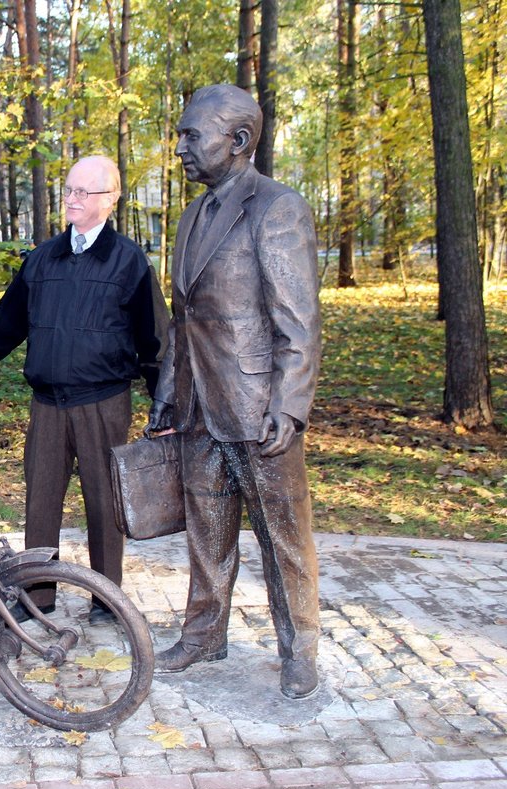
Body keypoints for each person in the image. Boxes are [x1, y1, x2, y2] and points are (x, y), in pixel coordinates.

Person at [146, 84, 322, 699]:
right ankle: (204, 633)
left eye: (192, 135)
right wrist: (169, 391)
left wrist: (289, 407)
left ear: (240, 141)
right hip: (198, 404)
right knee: (207, 527)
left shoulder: (278, 208)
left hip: (257, 408)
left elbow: (298, 324)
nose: (180, 148)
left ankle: (299, 648)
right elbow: (181, 316)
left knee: (284, 538)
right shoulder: (193, 216)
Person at [0, 155, 168, 612]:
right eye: (69, 189)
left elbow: (155, 339)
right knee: (40, 505)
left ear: (110, 200)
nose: (72, 198)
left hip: (103, 403)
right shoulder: (43, 259)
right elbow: (4, 325)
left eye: (84, 192)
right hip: (46, 405)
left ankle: (108, 603)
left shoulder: (128, 261)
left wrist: (166, 406)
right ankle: (37, 598)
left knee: (105, 507)